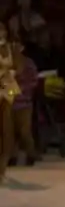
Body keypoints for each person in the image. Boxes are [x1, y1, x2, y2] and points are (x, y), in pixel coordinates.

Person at [0, 20, 21, 181]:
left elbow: (19, 66)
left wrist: (13, 71)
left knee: (7, 126)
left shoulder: (11, 47)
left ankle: (3, 165)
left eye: (3, 30)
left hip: (9, 87)